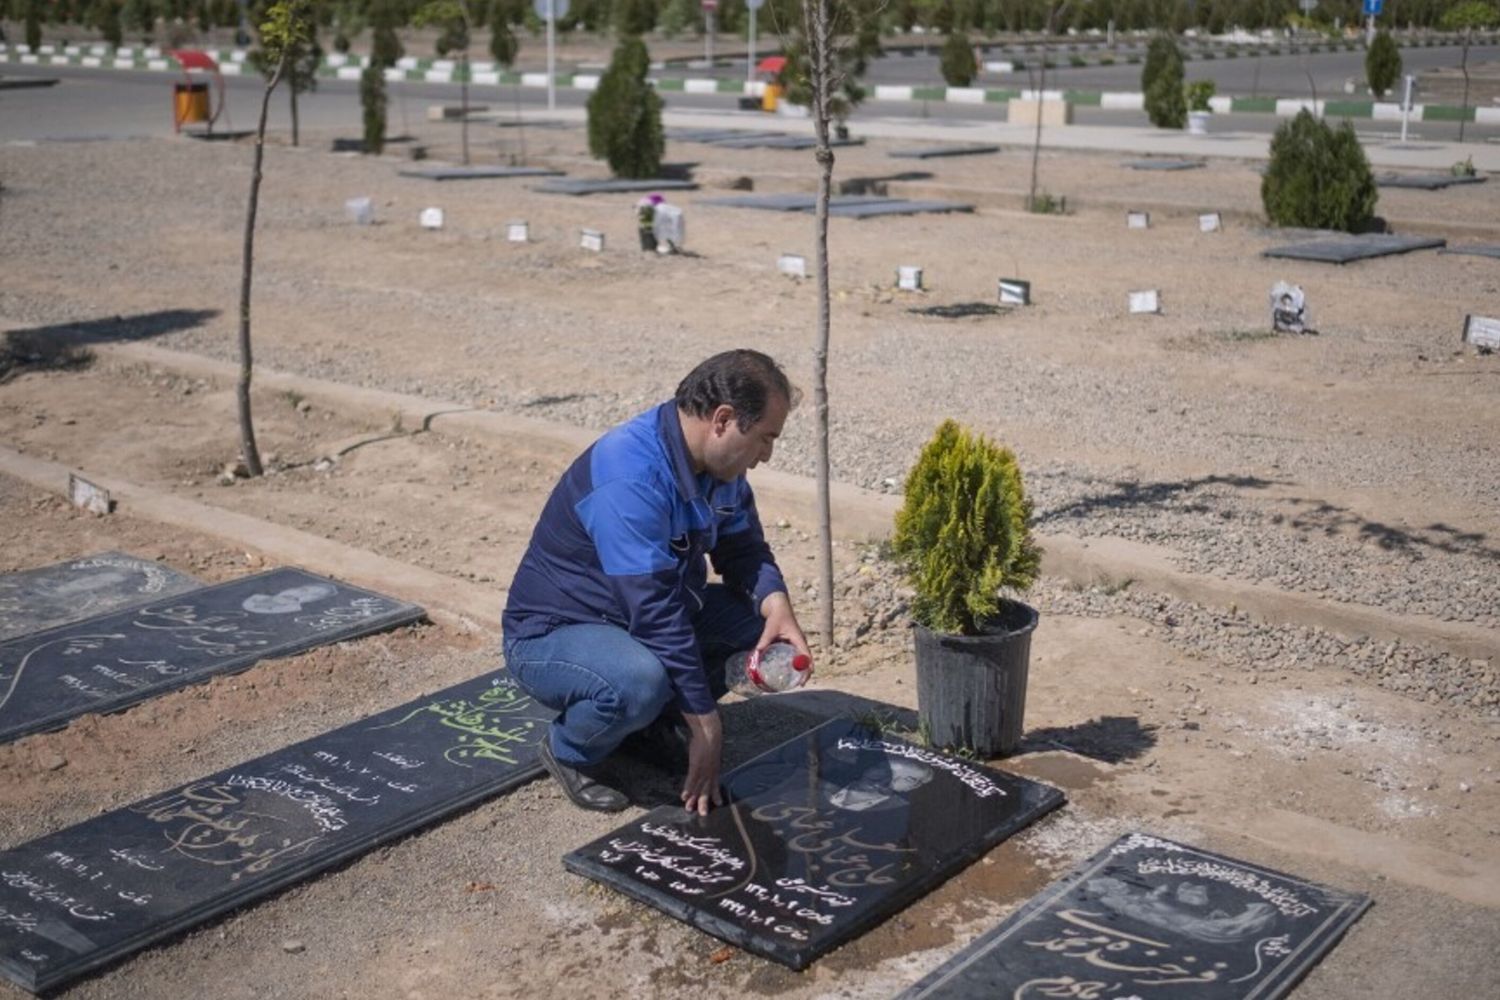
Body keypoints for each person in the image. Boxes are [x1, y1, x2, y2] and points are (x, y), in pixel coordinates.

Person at [502, 350, 811, 815]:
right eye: (766, 439)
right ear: (723, 420)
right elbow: (653, 611)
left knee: (755, 627)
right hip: (556, 634)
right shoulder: (629, 475)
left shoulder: (722, 471)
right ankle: (570, 750)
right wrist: (706, 724)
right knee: (637, 681)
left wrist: (775, 603)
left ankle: (647, 728)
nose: (766, 456)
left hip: (638, 620)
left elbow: (743, 550)